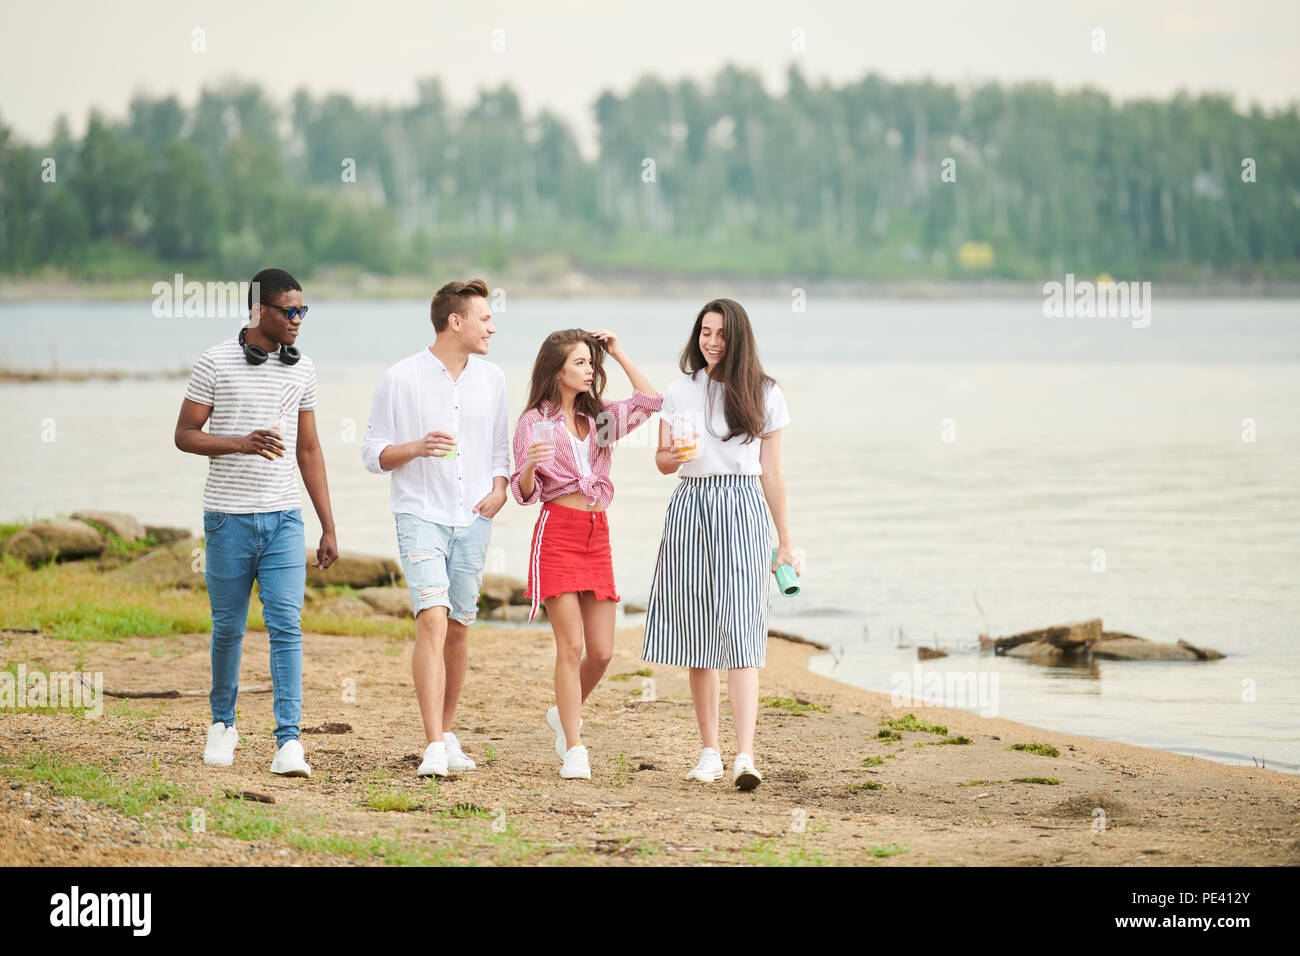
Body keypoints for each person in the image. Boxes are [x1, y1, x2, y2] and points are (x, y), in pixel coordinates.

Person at [175, 267, 338, 777]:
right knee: (228, 628)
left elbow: (309, 449)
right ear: (258, 311)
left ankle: (289, 740)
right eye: (288, 310)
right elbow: (184, 434)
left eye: (302, 310)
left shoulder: (302, 368)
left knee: (287, 627)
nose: (297, 320)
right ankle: (223, 723)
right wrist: (239, 442)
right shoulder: (215, 361)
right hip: (227, 520)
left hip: (285, 518)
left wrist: (327, 524)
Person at [641, 298, 796, 791]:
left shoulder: (766, 393)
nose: (710, 341)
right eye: (704, 332)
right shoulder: (678, 390)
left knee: (744, 632)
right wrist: (674, 455)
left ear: (738, 338)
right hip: (691, 505)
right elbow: (663, 462)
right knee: (698, 635)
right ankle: (709, 751)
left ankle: (744, 756)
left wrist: (785, 542)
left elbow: (772, 472)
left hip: (744, 507)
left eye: (720, 334)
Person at [361, 278, 509, 777]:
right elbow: (372, 454)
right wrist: (415, 447)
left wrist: (501, 487)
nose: (492, 326)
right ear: (456, 321)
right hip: (419, 512)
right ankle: (431, 746)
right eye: (484, 318)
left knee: (460, 629)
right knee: (432, 617)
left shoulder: (493, 379)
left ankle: (446, 735)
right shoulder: (399, 378)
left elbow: (498, 449)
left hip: (474, 517)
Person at [510, 329, 661, 780]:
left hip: (597, 534)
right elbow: (524, 492)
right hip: (557, 532)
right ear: (557, 370)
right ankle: (574, 748)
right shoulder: (533, 422)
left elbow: (651, 403)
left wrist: (617, 352)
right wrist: (533, 464)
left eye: (591, 363)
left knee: (602, 652)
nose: (589, 369)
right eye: (581, 362)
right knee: (571, 646)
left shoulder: (600, 420)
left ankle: (564, 713)